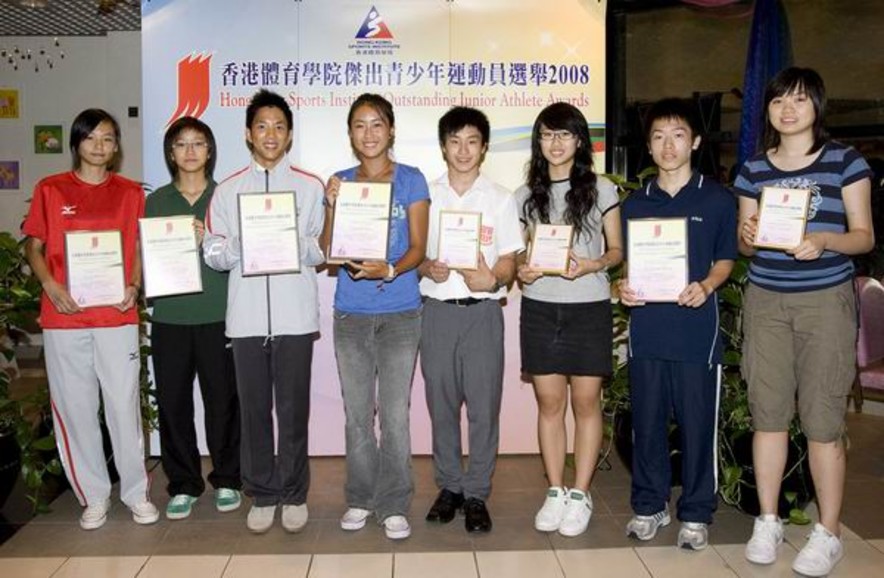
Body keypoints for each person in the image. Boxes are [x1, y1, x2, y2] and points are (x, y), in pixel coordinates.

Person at [736, 67, 873, 577]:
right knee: (767, 413)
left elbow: (863, 236)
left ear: (817, 105)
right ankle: (768, 520)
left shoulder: (845, 162)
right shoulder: (752, 169)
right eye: (778, 102)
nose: (787, 109)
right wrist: (749, 233)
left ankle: (828, 531)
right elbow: (744, 244)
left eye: (798, 100)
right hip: (766, 299)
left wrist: (824, 240)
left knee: (821, 419)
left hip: (825, 301)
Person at [22, 108, 159, 530]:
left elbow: (137, 249)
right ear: (77, 142)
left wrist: (134, 286)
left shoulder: (130, 193)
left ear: (117, 147)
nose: (100, 146)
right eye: (92, 138)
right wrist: (50, 286)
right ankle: (94, 496)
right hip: (65, 317)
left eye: (108, 139)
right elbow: (33, 246)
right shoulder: (51, 189)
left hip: (116, 316)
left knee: (122, 407)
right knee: (76, 408)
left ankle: (136, 493)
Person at [203, 89, 325, 534]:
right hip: (248, 320)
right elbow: (213, 252)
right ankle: (263, 493)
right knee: (254, 410)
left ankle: (293, 493)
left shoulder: (310, 187)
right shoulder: (229, 190)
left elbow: (320, 250)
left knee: (293, 411)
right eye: (261, 126)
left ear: (289, 134)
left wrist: (290, 242)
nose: (270, 135)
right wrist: (241, 246)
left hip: (295, 318)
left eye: (278, 127)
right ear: (248, 134)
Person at [619, 98, 736, 550]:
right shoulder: (635, 204)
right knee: (646, 423)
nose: (669, 146)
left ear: (696, 142)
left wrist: (706, 284)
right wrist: (625, 289)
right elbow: (633, 267)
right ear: (649, 146)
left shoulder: (716, 198)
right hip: (647, 330)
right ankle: (649, 507)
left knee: (697, 423)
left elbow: (726, 259)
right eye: (659, 137)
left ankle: (696, 512)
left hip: (696, 333)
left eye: (678, 135)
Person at [323, 93, 429, 540]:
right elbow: (329, 252)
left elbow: (419, 248)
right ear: (350, 134)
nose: (369, 134)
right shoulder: (341, 182)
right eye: (360, 125)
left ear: (391, 130)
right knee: (356, 414)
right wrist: (331, 204)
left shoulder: (411, 180)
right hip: (351, 314)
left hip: (401, 310)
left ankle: (393, 502)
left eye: (377, 124)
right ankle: (360, 498)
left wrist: (389, 267)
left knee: (395, 413)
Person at [515, 102, 623, 538]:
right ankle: (555, 489)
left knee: (585, 403)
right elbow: (522, 252)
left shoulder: (602, 189)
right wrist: (523, 267)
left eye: (563, 134)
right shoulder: (524, 196)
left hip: (588, 307)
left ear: (580, 140)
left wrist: (593, 264)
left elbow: (617, 251)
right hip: (540, 306)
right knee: (549, 404)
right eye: (547, 135)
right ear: (539, 143)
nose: (555, 143)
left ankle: (581, 493)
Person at [419, 107, 523, 533]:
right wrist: (428, 268)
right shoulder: (423, 195)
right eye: (455, 141)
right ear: (443, 146)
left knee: (483, 409)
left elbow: (509, 262)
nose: (463, 150)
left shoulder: (501, 197)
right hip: (437, 313)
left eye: (472, 141)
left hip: (482, 314)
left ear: (484, 147)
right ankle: (450, 487)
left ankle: (477, 491)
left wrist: (492, 277)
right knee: (441, 408)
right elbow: (413, 255)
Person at [146, 117, 241, 520]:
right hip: (169, 316)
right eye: (181, 144)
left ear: (210, 151)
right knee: (173, 404)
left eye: (198, 144)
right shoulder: (157, 201)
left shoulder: (226, 196)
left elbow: (243, 253)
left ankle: (228, 478)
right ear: (171, 153)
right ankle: (183, 483)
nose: (190, 152)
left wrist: (212, 240)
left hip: (219, 315)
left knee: (222, 403)